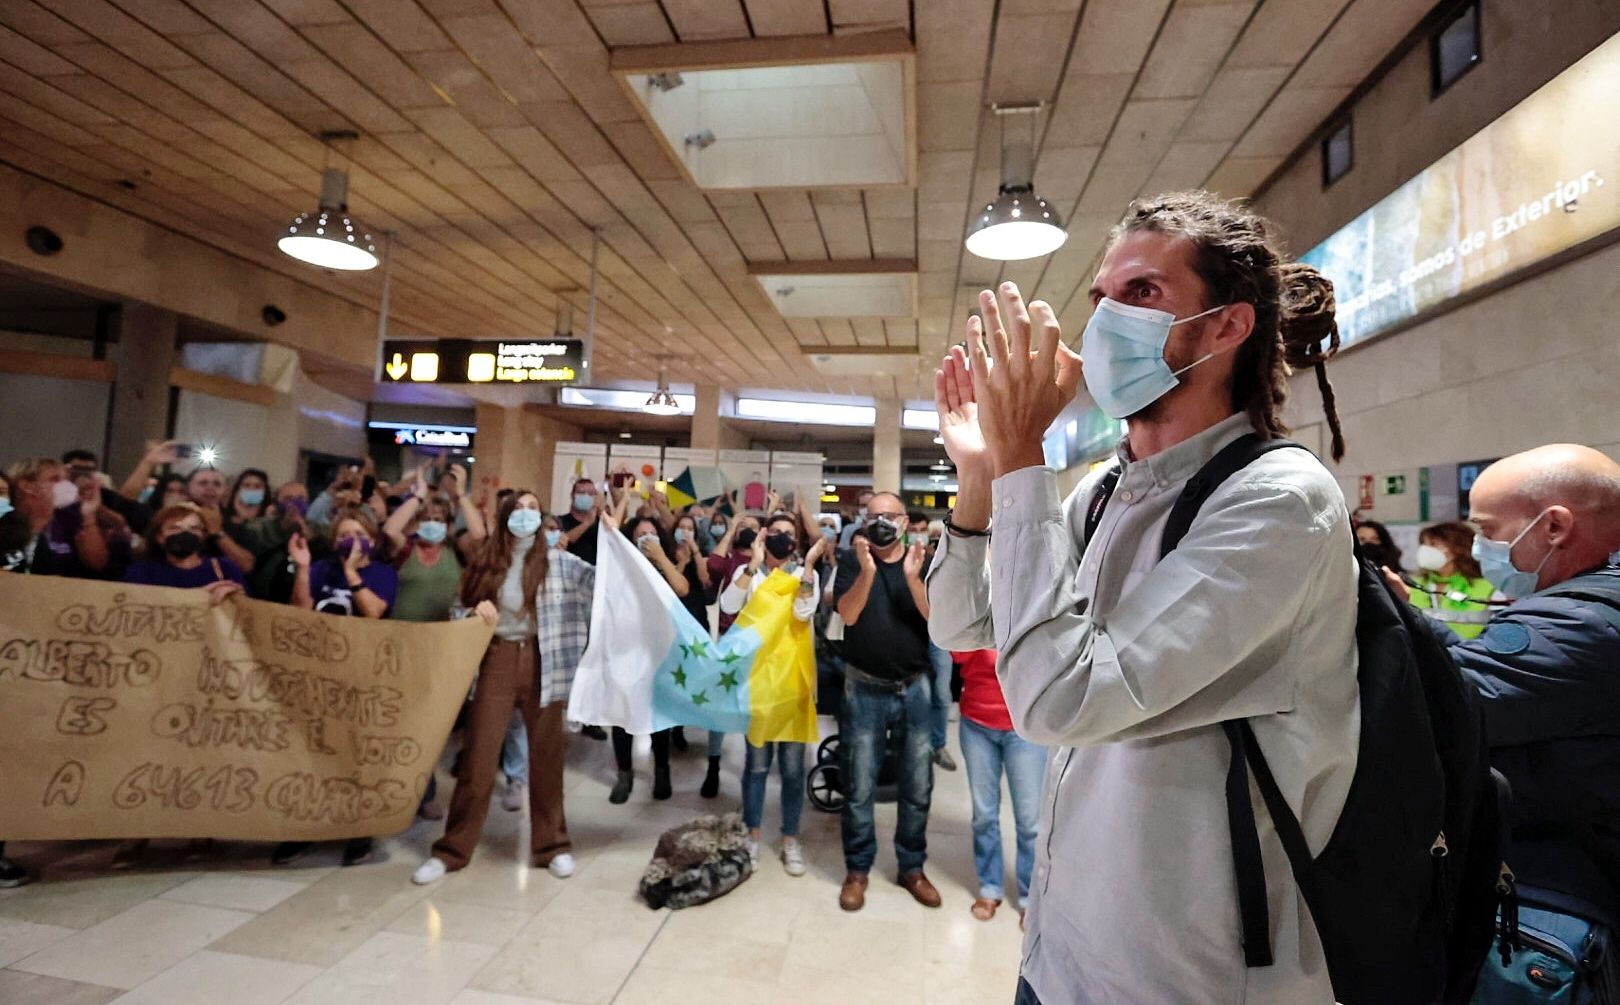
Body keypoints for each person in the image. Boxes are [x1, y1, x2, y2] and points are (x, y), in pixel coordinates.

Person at [929, 192, 1357, 1004]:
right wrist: (983, 475)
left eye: (1143, 293)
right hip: (1060, 952)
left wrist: (1025, 454)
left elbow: (1056, 698)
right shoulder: (1104, 489)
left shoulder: (1277, 498)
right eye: (1102, 297)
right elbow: (962, 624)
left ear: (1228, 327)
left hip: (1179, 976)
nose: (1105, 321)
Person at [1386, 445, 1620, 919]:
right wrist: (1411, 616)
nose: (1479, 546)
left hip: (1562, 892)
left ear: (1554, 527)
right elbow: (1486, 673)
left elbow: (1449, 704)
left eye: (1488, 530)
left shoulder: (1576, 625)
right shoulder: (1595, 598)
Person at [413, 495, 596, 885]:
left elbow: (602, 587)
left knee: (546, 759)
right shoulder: (487, 560)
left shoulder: (560, 562)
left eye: (533, 507)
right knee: (479, 758)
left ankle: (552, 847)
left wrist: (614, 536)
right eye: (518, 508)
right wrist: (472, 613)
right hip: (496, 657)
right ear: (506, 517)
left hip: (543, 659)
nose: (526, 514)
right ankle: (452, 850)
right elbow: (458, 607)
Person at [273, 507, 398, 868]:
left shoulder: (383, 573)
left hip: (362, 675)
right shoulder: (321, 569)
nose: (352, 541)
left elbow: (374, 611)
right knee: (312, 753)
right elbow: (301, 609)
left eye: (359, 534)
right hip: (317, 675)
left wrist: (351, 574)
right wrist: (302, 568)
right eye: (344, 534)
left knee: (356, 755)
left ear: (372, 541)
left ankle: (359, 831)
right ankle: (306, 829)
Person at [833, 490, 940, 912]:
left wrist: (913, 578)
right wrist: (866, 572)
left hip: (914, 688)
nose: (881, 522)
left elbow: (936, 619)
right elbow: (848, 614)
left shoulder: (923, 563)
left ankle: (911, 866)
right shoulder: (851, 562)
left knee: (918, 786)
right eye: (873, 516)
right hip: (864, 688)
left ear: (902, 521)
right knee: (859, 785)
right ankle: (858, 869)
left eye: (888, 516)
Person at [720, 513, 828, 875]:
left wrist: (810, 565)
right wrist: (751, 563)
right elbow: (728, 606)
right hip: (758, 684)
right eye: (776, 533)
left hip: (794, 685)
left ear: (796, 542)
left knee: (794, 770)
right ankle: (752, 836)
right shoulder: (749, 576)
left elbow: (804, 612)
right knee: (757, 766)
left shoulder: (801, 576)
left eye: (789, 534)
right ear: (763, 537)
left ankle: (789, 839)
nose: (782, 539)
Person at [382, 464, 488, 819]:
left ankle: (423, 794)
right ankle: (394, 791)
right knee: (397, 723)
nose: (433, 523)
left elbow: (479, 531)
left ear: (447, 524)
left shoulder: (456, 552)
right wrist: (418, 497)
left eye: (440, 519)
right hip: (401, 649)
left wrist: (460, 495)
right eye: (428, 518)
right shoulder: (404, 549)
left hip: (440, 652)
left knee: (430, 726)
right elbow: (390, 527)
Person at [954, 648, 1045, 925]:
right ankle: (990, 887)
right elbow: (957, 652)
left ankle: (1031, 899)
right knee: (984, 815)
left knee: (1030, 822)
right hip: (976, 722)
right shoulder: (976, 605)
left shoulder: (1032, 605)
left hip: (1024, 728)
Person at [609, 507, 692, 804]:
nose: (647, 538)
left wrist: (661, 559)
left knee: (659, 711)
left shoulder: (663, 565)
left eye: (652, 534)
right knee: (623, 713)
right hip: (625, 648)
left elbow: (682, 589)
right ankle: (624, 773)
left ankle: (662, 769)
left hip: (659, 650)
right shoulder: (620, 567)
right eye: (641, 535)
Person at [908, 510, 957, 772]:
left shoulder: (939, 558)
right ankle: (915, 742)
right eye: (912, 530)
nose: (917, 535)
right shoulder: (903, 561)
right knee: (918, 692)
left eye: (921, 530)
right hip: (911, 631)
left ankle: (937, 744)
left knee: (941, 692)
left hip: (939, 633)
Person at [123, 504, 248, 595]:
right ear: (159, 537)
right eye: (175, 528)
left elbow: (248, 608)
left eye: (194, 528)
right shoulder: (141, 571)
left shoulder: (224, 568)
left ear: (203, 535)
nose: (185, 534)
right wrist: (199, 596)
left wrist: (238, 596)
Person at [1405, 520, 1499, 640]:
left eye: (1433, 544)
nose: (1425, 549)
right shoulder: (1413, 584)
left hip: (1468, 653)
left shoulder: (1487, 587)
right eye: (1423, 544)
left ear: (1458, 549)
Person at [43, 466, 133, 580]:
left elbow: (97, 564)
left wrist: (88, 515)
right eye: (54, 479)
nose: (63, 484)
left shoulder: (75, 515)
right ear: (27, 486)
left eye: (65, 479)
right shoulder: (17, 518)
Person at [63, 448, 151, 533]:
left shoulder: (104, 494)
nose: (82, 475)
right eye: (78, 470)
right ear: (66, 470)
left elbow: (122, 521)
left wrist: (95, 504)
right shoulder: (57, 492)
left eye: (88, 470)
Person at [559, 476, 603, 565]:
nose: (586, 496)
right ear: (572, 495)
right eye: (581, 493)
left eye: (590, 494)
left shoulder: (600, 524)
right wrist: (586, 523)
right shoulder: (560, 521)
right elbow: (562, 541)